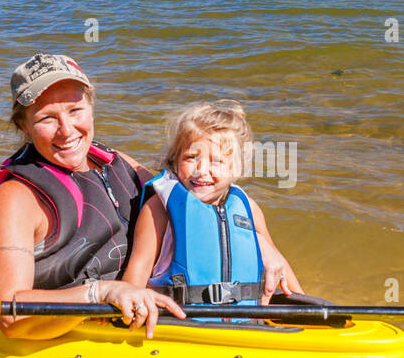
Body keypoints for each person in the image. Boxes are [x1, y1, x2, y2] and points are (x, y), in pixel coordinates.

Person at [0, 54, 186, 338]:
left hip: (149, 306)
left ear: (91, 106)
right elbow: (9, 313)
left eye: (75, 110)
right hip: (84, 329)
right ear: (24, 126)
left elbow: (187, 195)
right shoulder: (18, 197)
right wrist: (101, 292)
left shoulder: (115, 161)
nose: (66, 130)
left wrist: (262, 241)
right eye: (47, 118)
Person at [121, 100, 303, 311]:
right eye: (190, 157)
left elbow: (280, 268)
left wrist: (307, 308)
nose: (201, 170)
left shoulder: (249, 208)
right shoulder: (159, 210)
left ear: (237, 166)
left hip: (247, 323)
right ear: (174, 159)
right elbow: (132, 284)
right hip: (179, 326)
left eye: (216, 161)